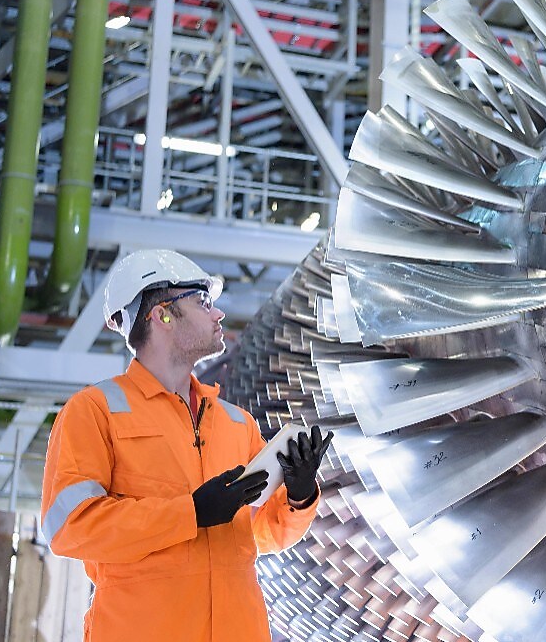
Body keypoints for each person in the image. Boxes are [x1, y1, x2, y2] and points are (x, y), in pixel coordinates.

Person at [39, 250, 333, 642]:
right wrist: (189, 513)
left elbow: (262, 534)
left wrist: (298, 496)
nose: (218, 315)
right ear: (162, 315)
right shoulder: (95, 412)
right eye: (203, 302)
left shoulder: (235, 422)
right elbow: (69, 527)